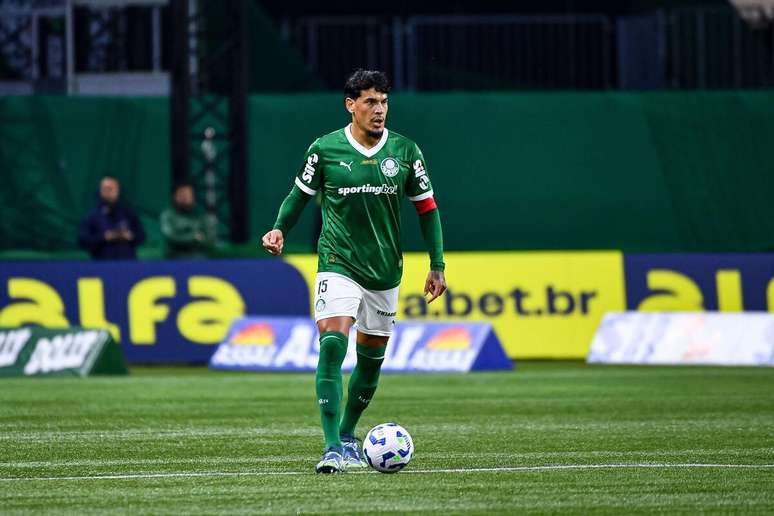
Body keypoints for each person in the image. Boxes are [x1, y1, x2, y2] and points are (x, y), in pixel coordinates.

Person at [261, 69, 447, 474]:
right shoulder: (324, 149)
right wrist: (279, 228)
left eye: (383, 102)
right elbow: (299, 196)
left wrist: (437, 265)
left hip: (384, 269)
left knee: (371, 361)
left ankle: (347, 434)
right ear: (351, 105)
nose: (379, 110)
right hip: (337, 261)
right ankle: (330, 448)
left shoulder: (406, 151)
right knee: (332, 343)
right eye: (370, 102)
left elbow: (428, 211)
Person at [78, 176, 145, 260]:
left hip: (127, 265)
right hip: (101, 265)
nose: (108, 192)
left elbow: (141, 236)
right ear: (100, 190)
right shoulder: (91, 216)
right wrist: (104, 237)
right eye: (105, 189)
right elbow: (83, 241)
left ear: (118, 190)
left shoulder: (129, 213)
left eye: (111, 189)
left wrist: (130, 236)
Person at [160, 182, 215, 258]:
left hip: (199, 257)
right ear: (174, 196)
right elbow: (171, 237)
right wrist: (194, 237)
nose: (185, 198)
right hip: (174, 257)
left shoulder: (201, 215)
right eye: (182, 195)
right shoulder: (168, 215)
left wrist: (186, 236)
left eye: (188, 195)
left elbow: (210, 239)